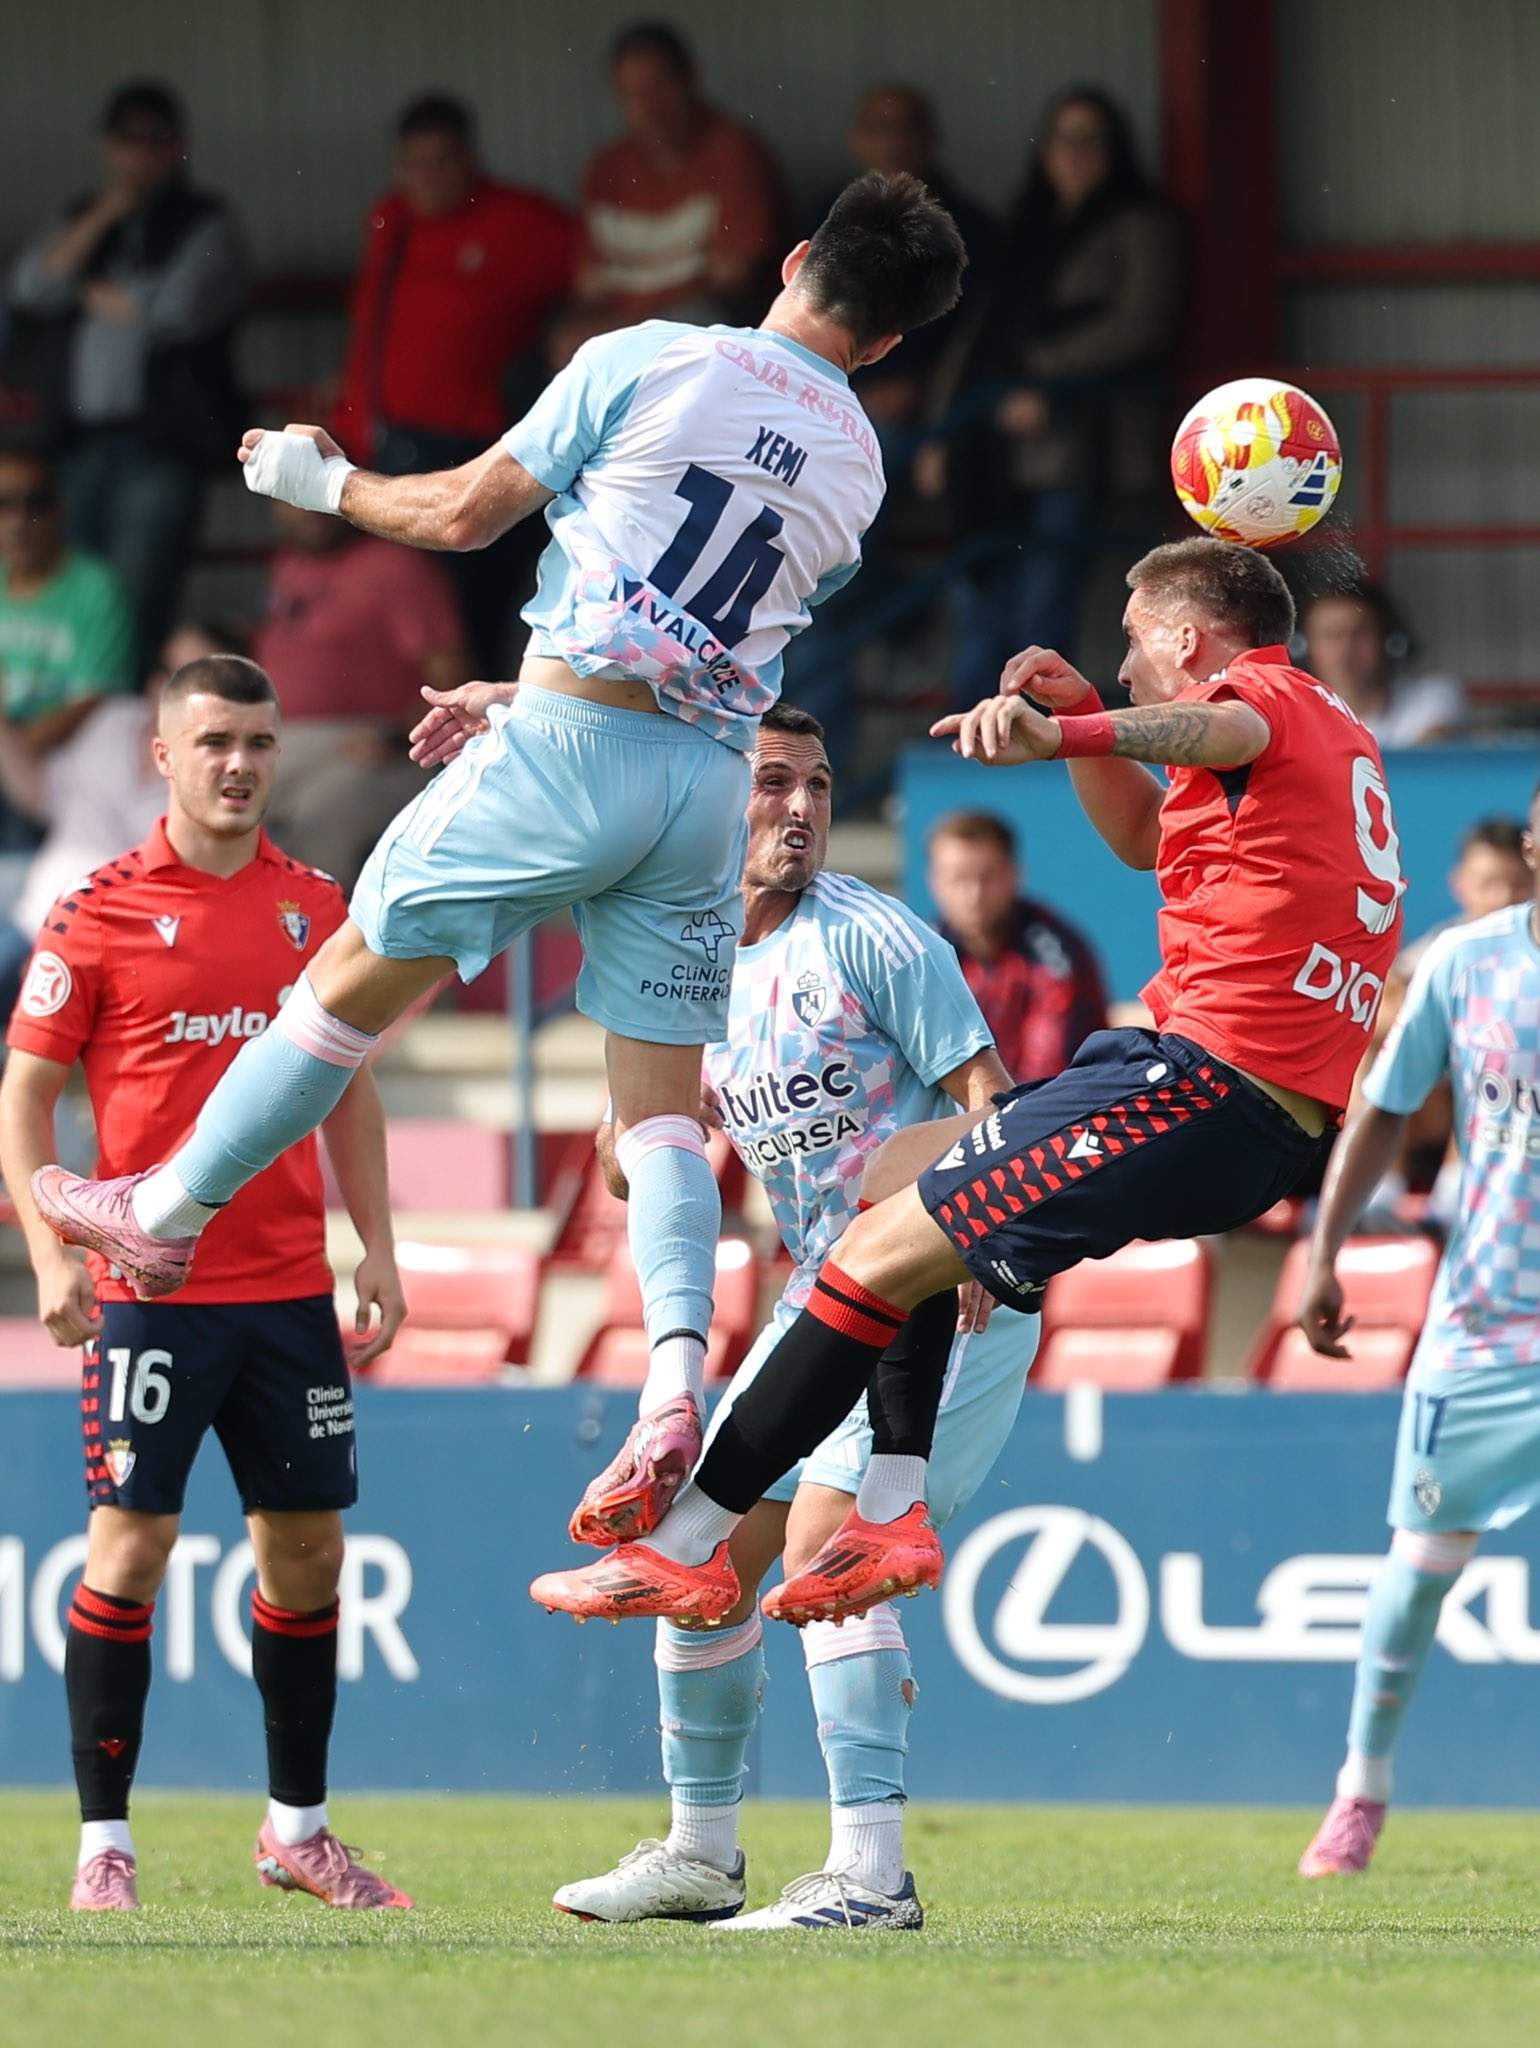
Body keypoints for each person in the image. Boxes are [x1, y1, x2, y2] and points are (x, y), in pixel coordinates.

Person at [29, 173, 968, 1562]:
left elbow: (469, 512)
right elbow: (712, 630)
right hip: (705, 786)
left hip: (571, 746)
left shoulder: (653, 357)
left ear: (793, 260)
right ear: (891, 344)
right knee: (656, 1112)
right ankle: (671, 1382)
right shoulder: (862, 471)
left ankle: (166, 1211)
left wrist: (321, 479)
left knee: (344, 984)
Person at [531, 537, 1406, 1628]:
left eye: (1131, 644)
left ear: (1187, 637)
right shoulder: (1321, 738)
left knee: (868, 1251)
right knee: (888, 1190)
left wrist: (1066, 730)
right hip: (1254, 1114)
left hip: (1204, 1078)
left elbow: (1216, 722)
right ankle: (888, 1508)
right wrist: (1088, 711)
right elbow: (1143, 833)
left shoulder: (1258, 696)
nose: (1127, 670)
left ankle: (693, 1536)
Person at [551, 703, 1037, 1933]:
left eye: (819, 784)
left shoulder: (873, 938)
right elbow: (647, 1145)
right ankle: (701, 1854)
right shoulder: (696, 961)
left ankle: (871, 1875)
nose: (802, 807)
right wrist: (639, 1138)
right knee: (693, 1556)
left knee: (833, 1546)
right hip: (821, 1299)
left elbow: (1000, 1101)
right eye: (773, 782)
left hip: (941, 1290)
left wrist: (974, 1226)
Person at [0, 653, 409, 1913]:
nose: (240, 763)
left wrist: (376, 1248)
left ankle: (297, 1827)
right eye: (216, 739)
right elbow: (24, 1090)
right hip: (149, 1292)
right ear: (162, 757)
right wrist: (49, 1248)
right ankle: (103, 1848)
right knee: (132, 1549)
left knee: (307, 1553)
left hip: (286, 1290)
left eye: (259, 741)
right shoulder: (96, 907)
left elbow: (348, 1082)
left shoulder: (318, 905)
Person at [1293, 780, 1540, 1878]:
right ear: (1530, 844)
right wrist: (1323, 1248)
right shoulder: (1464, 962)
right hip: (1487, 1318)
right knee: (1418, 1567)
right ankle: (1360, 1788)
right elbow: (1385, 1105)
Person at [916, 87, 1182, 698]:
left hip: (1084, 446)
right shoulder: (1026, 227)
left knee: (1047, 594)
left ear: (1115, 150)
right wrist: (940, 431)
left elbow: (1140, 324)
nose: (1075, 153)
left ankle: (1039, 731)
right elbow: (977, 331)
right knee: (984, 588)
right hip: (993, 448)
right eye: (1064, 137)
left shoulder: (1141, 220)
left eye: (1091, 138)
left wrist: (1043, 374)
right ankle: (977, 732)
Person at [331, 94, 577, 672]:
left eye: (441, 161)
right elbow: (372, 331)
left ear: (470, 160)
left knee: (469, 625)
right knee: (401, 621)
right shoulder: (392, 220)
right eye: (414, 163)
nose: (428, 177)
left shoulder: (523, 220)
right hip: (387, 447)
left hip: (475, 453)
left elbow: (598, 279)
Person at [8, 81, 249, 665]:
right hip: (78, 443)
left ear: (178, 146)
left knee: (139, 598)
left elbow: (177, 310)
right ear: (106, 145)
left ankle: (128, 734)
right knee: (76, 594)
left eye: (153, 140)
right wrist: (105, 215)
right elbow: (28, 288)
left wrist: (87, 288)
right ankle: (79, 728)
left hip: (161, 445)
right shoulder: (83, 214)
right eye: (126, 140)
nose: (139, 154)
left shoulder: (206, 221)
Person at [255, 502, 472, 889]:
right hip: (286, 739)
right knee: (208, 785)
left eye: (311, 495)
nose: (305, 511)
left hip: (385, 747)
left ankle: (316, 941)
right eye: (290, 499)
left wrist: (395, 739)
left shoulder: (395, 566)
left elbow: (454, 684)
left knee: (325, 810)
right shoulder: (290, 561)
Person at [550, 21, 784, 364]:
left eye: (659, 87)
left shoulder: (733, 151)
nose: (650, 107)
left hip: (708, 330)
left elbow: (733, 280)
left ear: (690, 79)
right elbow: (590, 286)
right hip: (625, 326)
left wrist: (625, 328)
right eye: (633, 94)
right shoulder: (607, 166)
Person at [926, 807, 1108, 1083]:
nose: (974, 894)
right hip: (957, 1116)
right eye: (958, 878)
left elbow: (1049, 1081)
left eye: (987, 877)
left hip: (1050, 1114)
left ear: (1015, 875)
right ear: (934, 882)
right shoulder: (922, 955)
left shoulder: (1055, 957)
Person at [0, 445, 135, 790]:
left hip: (65, 763)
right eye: (4, 504)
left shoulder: (96, 588)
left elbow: (93, 701)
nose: (18, 519)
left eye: (36, 503)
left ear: (59, 510)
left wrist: (14, 757)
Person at [1298, 582, 1466, 749]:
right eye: (1331, 636)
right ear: (1304, 650)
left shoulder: (1432, 698)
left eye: (1360, 633)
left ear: (1391, 643)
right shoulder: (1293, 716)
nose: (1346, 649)